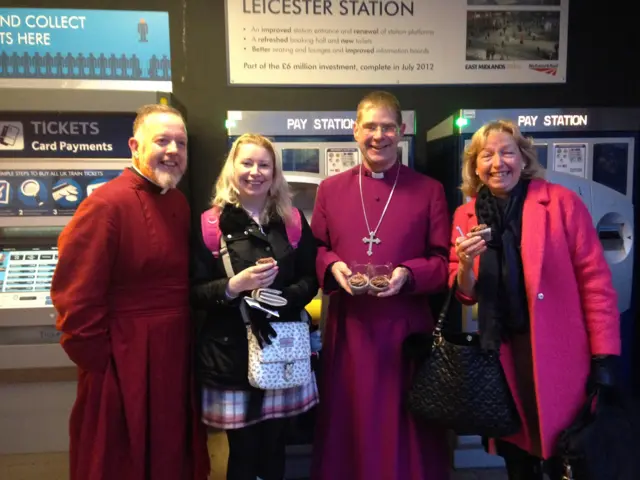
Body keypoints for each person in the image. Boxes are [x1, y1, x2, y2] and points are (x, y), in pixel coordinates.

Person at [449, 119, 620, 480]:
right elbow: (465, 294)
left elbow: (595, 283)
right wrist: (465, 263)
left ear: (524, 159)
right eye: (487, 155)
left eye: (507, 152)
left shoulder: (560, 204)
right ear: (475, 166)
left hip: (561, 356)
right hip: (501, 355)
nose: (498, 162)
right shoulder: (465, 216)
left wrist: (604, 356)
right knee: (517, 454)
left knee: (565, 452)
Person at [51, 104, 210, 480]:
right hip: (124, 359)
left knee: (170, 452)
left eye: (181, 143)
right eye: (162, 141)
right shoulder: (104, 205)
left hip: (174, 352)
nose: (173, 151)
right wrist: (104, 363)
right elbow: (74, 299)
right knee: (120, 457)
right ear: (134, 146)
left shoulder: (178, 201)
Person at [310, 91, 451, 480]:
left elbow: (443, 263)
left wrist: (407, 273)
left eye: (388, 126)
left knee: (404, 427)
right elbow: (317, 249)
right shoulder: (331, 189)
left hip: (404, 329)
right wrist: (333, 265)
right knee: (349, 423)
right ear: (355, 130)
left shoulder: (429, 190)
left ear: (402, 131)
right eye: (370, 126)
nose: (379, 135)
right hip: (349, 328)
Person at [190, 133, 319, 480]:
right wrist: (234, 286)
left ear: (275, 172)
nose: (255, 172)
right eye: (246, 163)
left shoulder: (291, 221)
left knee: (275, 447)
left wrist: (287, 297)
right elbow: (194, 292)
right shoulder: (209, 224)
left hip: (281, 350)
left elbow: (311, 277)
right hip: (230, 357)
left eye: (264, 164)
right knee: (244, 452)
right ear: (232, 168)